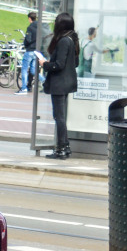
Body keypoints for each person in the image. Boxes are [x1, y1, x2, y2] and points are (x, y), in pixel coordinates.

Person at [38, 11, 80, 160]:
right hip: (66, 83)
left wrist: (45, 64)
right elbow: (75, 63)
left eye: (56, 22)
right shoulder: (72, 39)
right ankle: (65, 147)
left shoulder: (63, 41)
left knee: (59, 117)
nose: (54, 24)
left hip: (59, 83)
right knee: (60, 116)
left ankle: (61, 149)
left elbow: (59, 65)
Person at [20, 11, 46, 95]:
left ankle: (24, 88)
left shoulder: (30, 27)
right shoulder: (40, 27)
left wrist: (25, 44)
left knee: (24, 69)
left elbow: (28, 39)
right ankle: (45, 81)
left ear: (29, 18)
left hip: (30, 50)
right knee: (33, 70)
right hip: (37, 51)